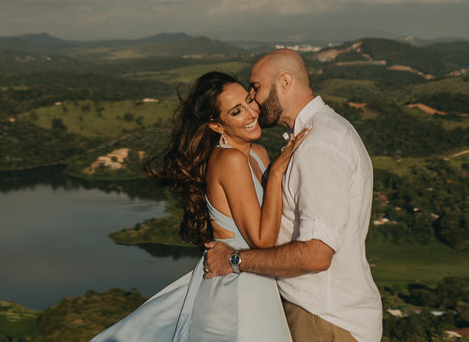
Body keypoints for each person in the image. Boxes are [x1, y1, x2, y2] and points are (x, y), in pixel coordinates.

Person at [92, 71, 306, 342]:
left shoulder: (258, 153)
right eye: (237, 111)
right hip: (237, 292)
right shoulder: (229, 160)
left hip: (259, 282)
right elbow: (262, 240)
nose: (252, 113)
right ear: (216, 125)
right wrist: (276, 174)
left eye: (250, 101)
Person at [203, 49, 383, 342]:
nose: (254, 100)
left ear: (284, 83)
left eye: (256, 88)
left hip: (322, 317)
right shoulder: (321, 133)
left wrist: (234, 260)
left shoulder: (317, 146)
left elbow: (316, 255)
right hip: (316, 311)